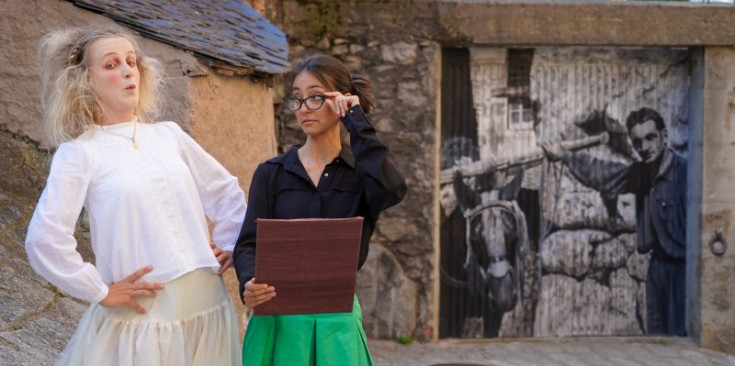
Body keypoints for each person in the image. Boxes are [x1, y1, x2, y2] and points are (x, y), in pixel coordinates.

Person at [25, 26, 246, 365]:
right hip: (144, 315)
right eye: (111, 65)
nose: (128, 70)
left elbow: (224, 191)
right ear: (84, 80)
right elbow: (44, 239)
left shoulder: (168, 135)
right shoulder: (80, 153)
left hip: (206, 302)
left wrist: (230, 242)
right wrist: (99, 291)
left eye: (131, 61)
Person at [233, 54, 407, 365]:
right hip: (277, 322)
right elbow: (248, 243)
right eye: (297, 99)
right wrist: (248, 280)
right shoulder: (270, 173)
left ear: (341, 100)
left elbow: (393, 189)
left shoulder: (363, 176)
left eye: (316, 97)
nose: (304, 108)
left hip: (336, 324)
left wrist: (356, 120)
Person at [542, 107, 687, 335]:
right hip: (657, 268)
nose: (644, 147)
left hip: (685, 270)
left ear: (665, 136)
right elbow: (603, 173)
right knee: (658, 338)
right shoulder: (640, 172)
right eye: (637, 142)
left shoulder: (686, 174)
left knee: (683, 339)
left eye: (651, 137)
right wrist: (566, 157)